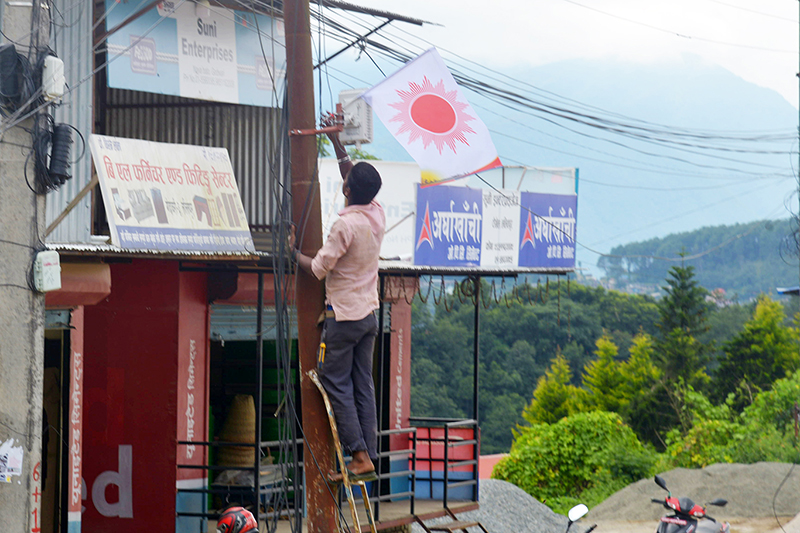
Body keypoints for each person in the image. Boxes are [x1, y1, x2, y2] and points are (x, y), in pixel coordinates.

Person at [289, 124, 385, 483]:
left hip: (342, 317)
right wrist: (336, 142)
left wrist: (291, 252)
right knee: (363, 385)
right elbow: (354, 181)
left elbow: (315, 269)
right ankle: (368, 454)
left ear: (347, 191)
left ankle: (358, 455)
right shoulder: (376, 214)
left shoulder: (344, 227)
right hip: (369, 315)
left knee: (333, 379)